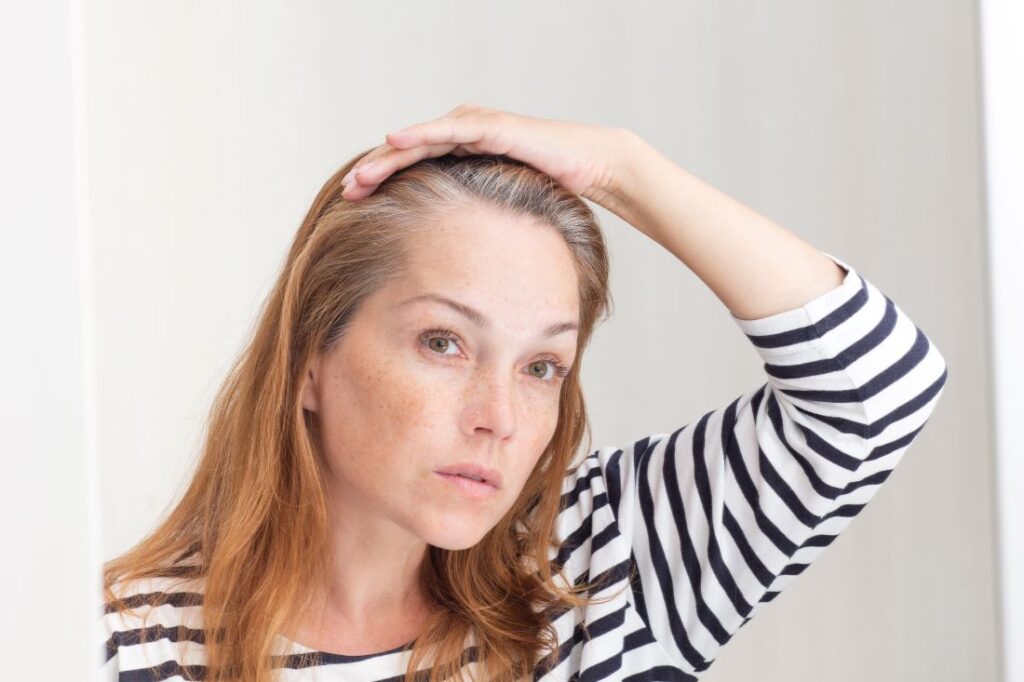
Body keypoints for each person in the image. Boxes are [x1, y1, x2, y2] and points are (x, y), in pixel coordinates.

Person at [98, 104, 949, 682]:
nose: (498, 420)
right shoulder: (123, 643)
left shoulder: (595, 571)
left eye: (542, 366)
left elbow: (876, 390)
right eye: (444, 342)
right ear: (309, 359)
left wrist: (620, 168)